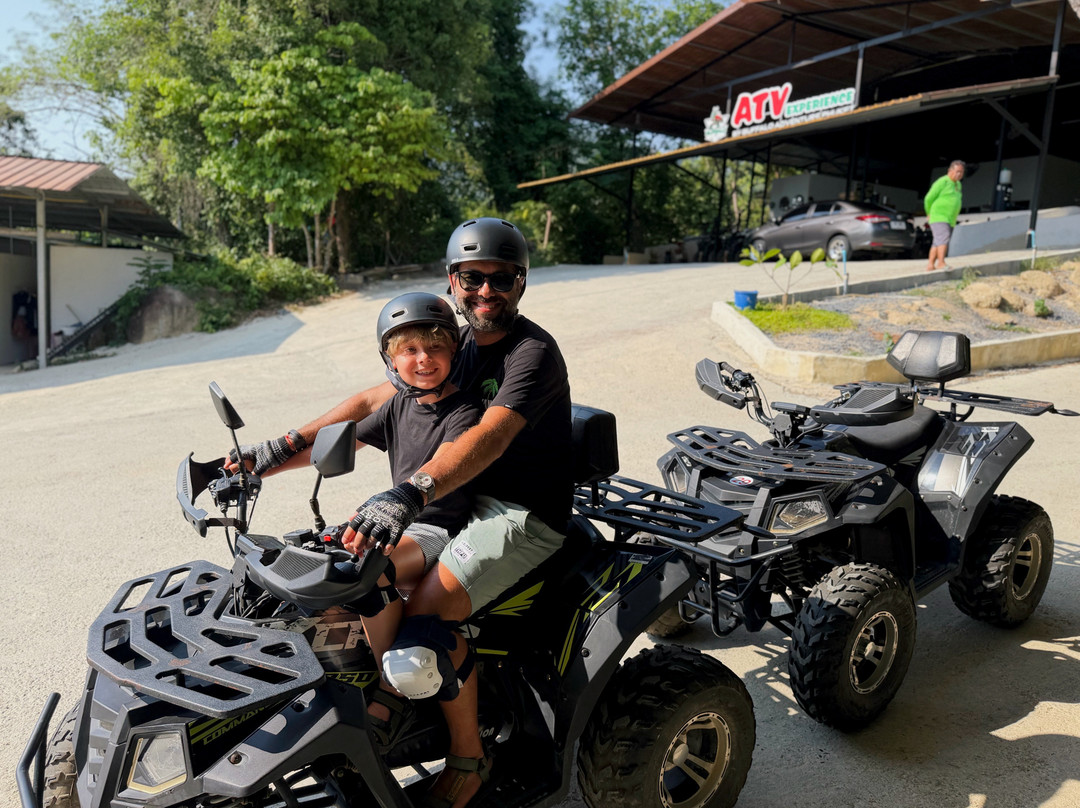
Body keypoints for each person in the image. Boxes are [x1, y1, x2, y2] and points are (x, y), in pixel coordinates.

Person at [231, 217, 572, 808]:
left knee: (428, 614)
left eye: (501, 278)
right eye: (472, 278)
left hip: (517, 511)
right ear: (452, 280)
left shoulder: (532, 353)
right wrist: (275, 451)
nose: (486, 291)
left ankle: (466, 756)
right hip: (449, 495)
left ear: (521, 282)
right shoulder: (453, 340)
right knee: (339, 572)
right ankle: (376, 693)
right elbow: (376, 399)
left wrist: (410, 493)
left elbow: (488, 437)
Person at [346, 292, 483, 750]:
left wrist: (401, 498)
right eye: (409, 350)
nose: (423, 358)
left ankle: (392, 688)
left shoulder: (465, 410)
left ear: (454, 351)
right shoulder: (400, 404)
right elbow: (344, 441)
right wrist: (265, 459)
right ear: (390, 359)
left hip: (435, 527)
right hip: (397, 523)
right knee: (326, 559)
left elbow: (445, 460)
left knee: (370, 568)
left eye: (435, 347)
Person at [924, 160, 965, 271]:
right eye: (957, 171)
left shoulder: (958, 184)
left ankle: (930, 265)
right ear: (950, 171)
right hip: (939, 216)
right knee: (943, 238)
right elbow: (928, 198)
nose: (959, 174)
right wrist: (928, 213)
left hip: (950, 218)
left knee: (937, 241)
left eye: (961, 172)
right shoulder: (942, 182)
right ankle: (941, 263)